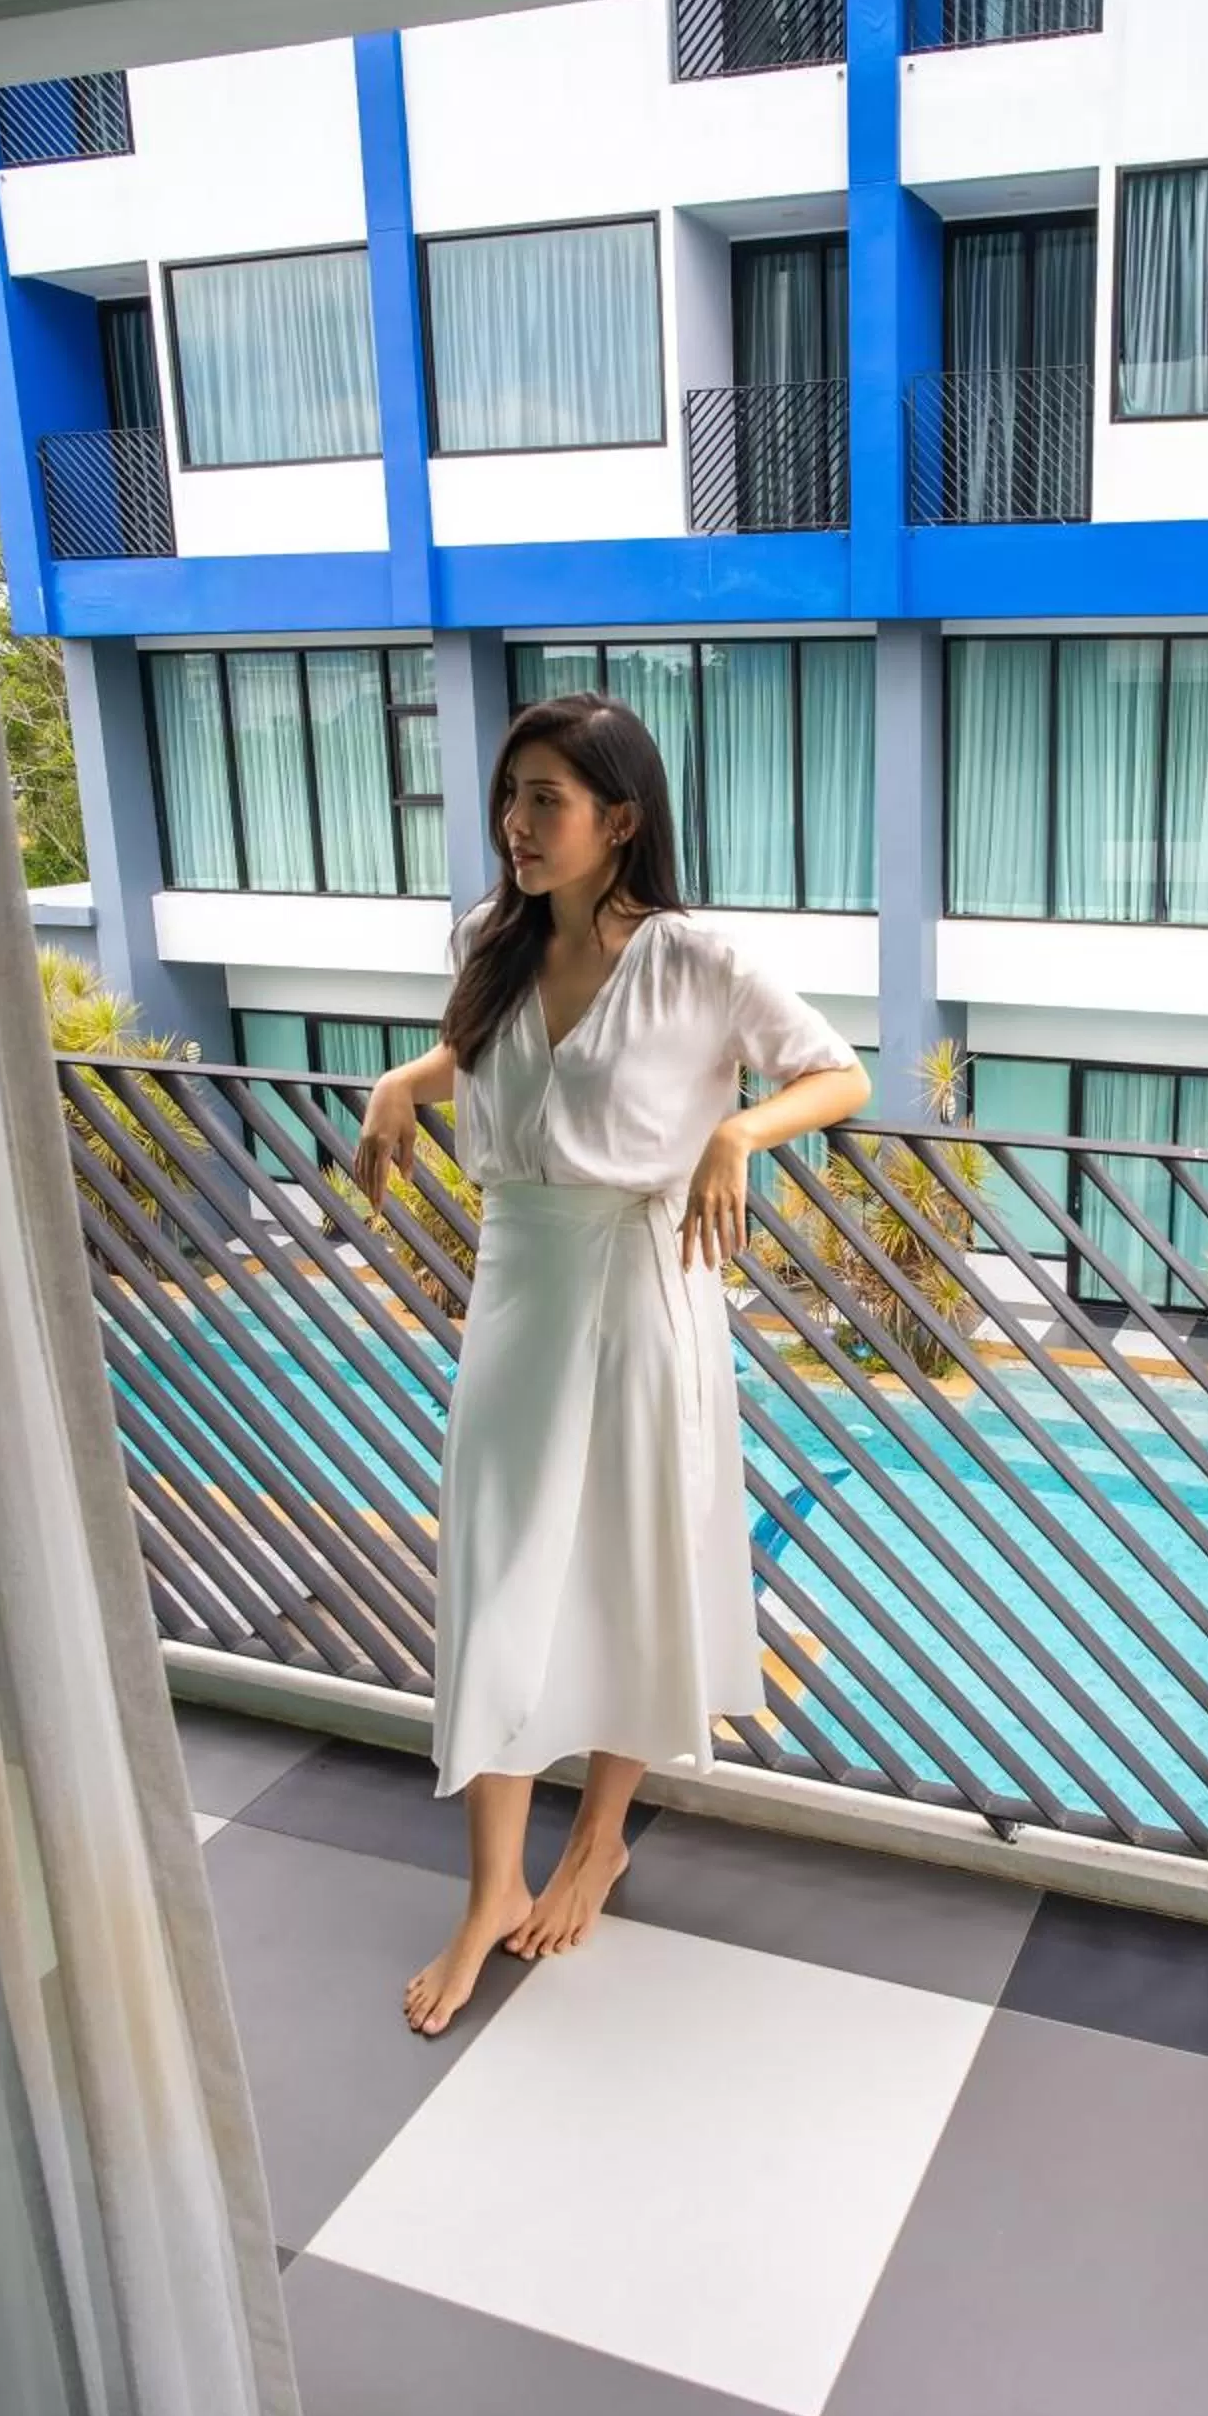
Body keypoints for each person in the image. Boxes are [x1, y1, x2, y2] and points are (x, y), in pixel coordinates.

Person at [353, 692, 870, 2035]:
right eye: (511, 795)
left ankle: (597, 1840)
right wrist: (407, 1081)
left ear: (621, 819)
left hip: (649, 1286)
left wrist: (738, 1134)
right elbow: (495, 1061)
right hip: (521, 1286)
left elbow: (836, 1075)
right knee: (499, 1577)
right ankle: (489, 1891)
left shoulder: (695, 960)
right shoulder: (490, 939)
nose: (516, 824)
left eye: (547, 800)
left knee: (637, 1563)